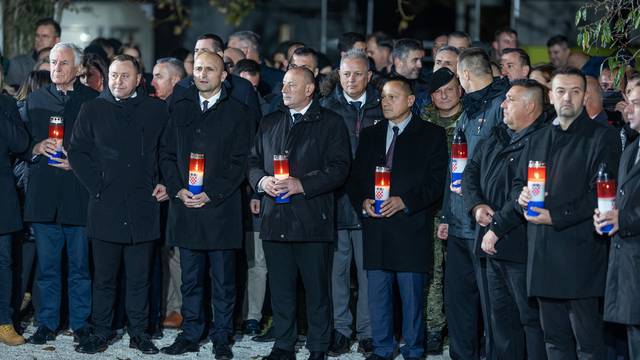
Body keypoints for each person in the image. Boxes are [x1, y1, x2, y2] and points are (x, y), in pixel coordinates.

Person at [514, 67, 620, 359]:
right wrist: (522, 196)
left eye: (575, 91)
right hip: (543, 253)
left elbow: (598, 196)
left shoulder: (603, 137)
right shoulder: (537, 138)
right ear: (550, 95)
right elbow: (519, 183)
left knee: (587, 342)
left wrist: (555, 216)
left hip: (581, 254)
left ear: (585, 96)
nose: (568, 98)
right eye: (561, 91)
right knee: (554, 340)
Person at [247, 66, 350, 360]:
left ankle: (318, 346)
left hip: (311, 219)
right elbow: (253, 161)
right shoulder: (270, 122)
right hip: (274, 218)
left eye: (292, 85)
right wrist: (262, 182)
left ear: (309, 89)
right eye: (283, 85)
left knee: (317, 290)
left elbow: (340, 168)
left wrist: (301, 184)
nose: (284, 90)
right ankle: (283, 345)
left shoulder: (330, 123)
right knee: (280, 289)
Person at [68, 54, 168, 354]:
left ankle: (139, 332)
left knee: (140, 277)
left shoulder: (156, 110)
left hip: (143, 204)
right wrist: (97, 185)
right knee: (104, 278)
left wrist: (166, 182)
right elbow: (76, 151)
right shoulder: (93, 108)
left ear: (139, 79)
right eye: (113, 75)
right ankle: (101, 331)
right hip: (105, 205)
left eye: (125, 76)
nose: (117, 81)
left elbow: (167, 151)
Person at [159, 51, 253, 359]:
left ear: (223, 75)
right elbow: (167, 155)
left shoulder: (237, 111)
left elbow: (241, 162)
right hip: (186, 206)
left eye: (209, 69)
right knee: (190, 278)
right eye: (198, 68)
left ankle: (222, 335)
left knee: (224, 280)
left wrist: (211, 192)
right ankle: (191, 332)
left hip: (220, 209)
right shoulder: (180, 106)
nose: (202, 74)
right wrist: (177, 189)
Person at [348, 76, 448, 360]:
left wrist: (406, 201)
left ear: (411, 100)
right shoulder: (371, 134)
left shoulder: (431, 134)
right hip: (376, 226)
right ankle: (382, 348)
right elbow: (355, 178)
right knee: (378, 295)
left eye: (393, 97)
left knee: (412, 296)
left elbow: (436, 180)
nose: (385, 102)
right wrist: (362, 201)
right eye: (383, 97)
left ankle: (414, 349)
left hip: (410, 226)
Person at [463, 79, 548, 360]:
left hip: (521, 246)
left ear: (531, 106)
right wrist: (476, 205)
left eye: (510, 99)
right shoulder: (497, 134)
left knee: (530, 323)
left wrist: (497, 226)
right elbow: (470, 172)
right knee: (500, 323)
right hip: (490, 243)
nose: (502, 104)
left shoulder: (542, 140)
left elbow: (524, 192)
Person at [23, 42, 98, 345]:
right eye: (53, 62)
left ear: (79, 68)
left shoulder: (93, 102)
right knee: (48, 267)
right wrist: (36, 147)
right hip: (44, 198)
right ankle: (46, 323)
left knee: (80, 266)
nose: (56, 68)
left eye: (64, 63)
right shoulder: (35, 100)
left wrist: (77, 163)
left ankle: (80, 323)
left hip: (78, 196)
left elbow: (104, 148)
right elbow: (20, 142)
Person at [442, 47, 509, 360]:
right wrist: (446, 215)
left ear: (464, 75)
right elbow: (454, 167)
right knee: (458, 300)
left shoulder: (500, 106)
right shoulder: (467, 108)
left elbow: (500, 167)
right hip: (458, 222)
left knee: (492, 304)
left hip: (485, 221)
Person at [319, 49, 382, 357]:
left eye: (358, 74)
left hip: (372, 203)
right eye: (346, 74)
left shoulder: (382, 106)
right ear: (338, 75)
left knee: (369, 272)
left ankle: (368, 332)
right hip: (336, 201)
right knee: (337, 271)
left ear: (369, 76)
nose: (352, 80)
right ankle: (340, 330)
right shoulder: (326, 108)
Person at [420, 67, 463, 355]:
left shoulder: (473, 118)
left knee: (462, 272)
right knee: (433, 271)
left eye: (449, 88)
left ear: (460, 88)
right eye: (437, 91)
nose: (444, 95)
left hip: (464, 206)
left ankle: (465, 330)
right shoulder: (423, 120)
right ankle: (434, 328)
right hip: (432, 206)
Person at [595, 83, 640, 360]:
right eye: (628, 101)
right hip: (629, 270)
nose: (627, 108)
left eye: (636, 102)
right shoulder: (631, 149)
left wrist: (624, 218)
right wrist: (606, 215)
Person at [173, 33, 261, 123]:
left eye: (204, 50)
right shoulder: (181, 87)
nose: (198, 54)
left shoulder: (242, 87)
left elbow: (253, 124)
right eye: (196, 50)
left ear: (219, 54)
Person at [0, 94, 30, 346]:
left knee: (4, 261)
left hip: (2, 193)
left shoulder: (7, 104)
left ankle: (4, 322)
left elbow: (20, 143)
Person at [6, 18, 60, 87]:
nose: (39, 40)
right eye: (37, 36)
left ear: (57, 40)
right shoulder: (18, 63)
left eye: (45, 36)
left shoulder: (65, 64)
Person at [228, 30, 285, 96]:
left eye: (231, 49)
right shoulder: (280, 76)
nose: (227, 52)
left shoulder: (280, 79)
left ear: (244, 51)